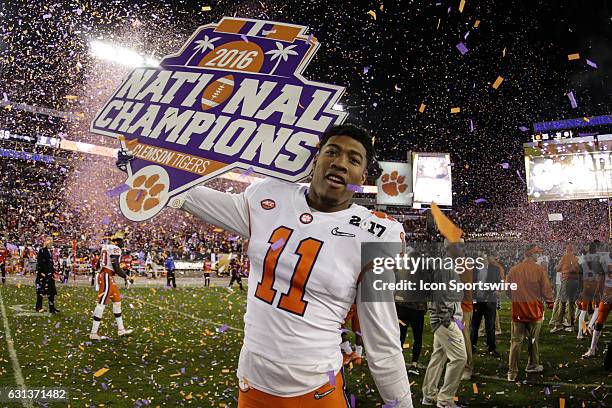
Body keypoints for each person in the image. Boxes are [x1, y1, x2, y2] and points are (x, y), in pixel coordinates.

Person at [170, 124, 413, 407]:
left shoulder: (376, 234)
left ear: (362, 177)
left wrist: (401, 404)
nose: (340, 163)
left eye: (354, 159)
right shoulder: (270, 196)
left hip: (317, 391)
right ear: (316, 159)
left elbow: (383, 343)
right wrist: (145, 169)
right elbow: (187, 197)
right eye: (332, 152)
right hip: (253, 386)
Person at [422, 239, 467, 408]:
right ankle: (445, 399)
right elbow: (439, 294)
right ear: (450, 247)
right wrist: (447, 320)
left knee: (438, 357)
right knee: (460, 358)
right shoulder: (445, 266)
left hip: (445, 318)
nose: (463, 248)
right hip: (445, 320)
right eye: (459, 245)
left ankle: (429, 395)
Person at [504, 245, 554, 382]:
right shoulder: (539, 270)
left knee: (515, 342)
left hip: (518, 311)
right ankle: (532, 364)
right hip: (534, 312)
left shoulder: (514, 270)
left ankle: (512, 372)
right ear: (531, 254)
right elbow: (546, 290)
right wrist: (550, 302)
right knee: (533, 341)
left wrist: (515, 297)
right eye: (537, 253)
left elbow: (507, 290)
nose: (538, 256)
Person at [89, 232, 134, 340]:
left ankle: (121, 330)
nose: (121, 243)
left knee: (117, 302)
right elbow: (116, 267)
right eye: (120, 240)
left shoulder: (105, 247)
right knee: (101, 303)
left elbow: (99, 264)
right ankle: (93, 333)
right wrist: (126, 277)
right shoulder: (115, 248)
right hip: (106, 276)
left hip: (107, 275)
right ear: (115, 241)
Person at [471, 251, 504, 359]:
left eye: (483, 258)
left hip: (490, 300)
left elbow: (499, 282)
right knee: (474, 325)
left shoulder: (494, 269)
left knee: (490, 326)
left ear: (487, 259)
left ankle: (491, 348)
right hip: (478, 301)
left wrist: (498, 290)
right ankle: (472, 346)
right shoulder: (473, 270)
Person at [581, 247, 610, 358]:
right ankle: (592, 349)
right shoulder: (605, 259)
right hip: (607, 295)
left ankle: (592, 348)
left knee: (598, 321)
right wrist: (596, 295)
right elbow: (602, 279)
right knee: (599, 322)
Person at [576, 242, 605, 339]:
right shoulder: (599, 257)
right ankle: (590, 325)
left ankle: (579, 334)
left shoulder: (582, 258)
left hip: (585, 284)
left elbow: (579, 272)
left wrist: (579, 289)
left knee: (583, 310)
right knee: (597, 308)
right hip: (595, 284)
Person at [550, 244, 580, 333]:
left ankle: (558, 324)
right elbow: (578, 270)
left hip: (566, 280)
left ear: (566, 250)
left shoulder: (564, 257)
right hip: (575, 281)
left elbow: (558, 269)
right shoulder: (576, 258)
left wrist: (557, 266)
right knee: (571, 303)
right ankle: (571, 325)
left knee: (562, 303)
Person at [35, 238, 59, 314]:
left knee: (52, 292)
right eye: (51, 243)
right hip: (43, 275)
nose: (52, 244)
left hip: (49, 275)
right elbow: (40, 263)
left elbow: (50, 263)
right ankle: (39, 307)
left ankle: (52, 308)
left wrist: (53, 270)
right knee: (41, 291)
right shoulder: (42, 251)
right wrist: (46, 271)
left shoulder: (49, 251)